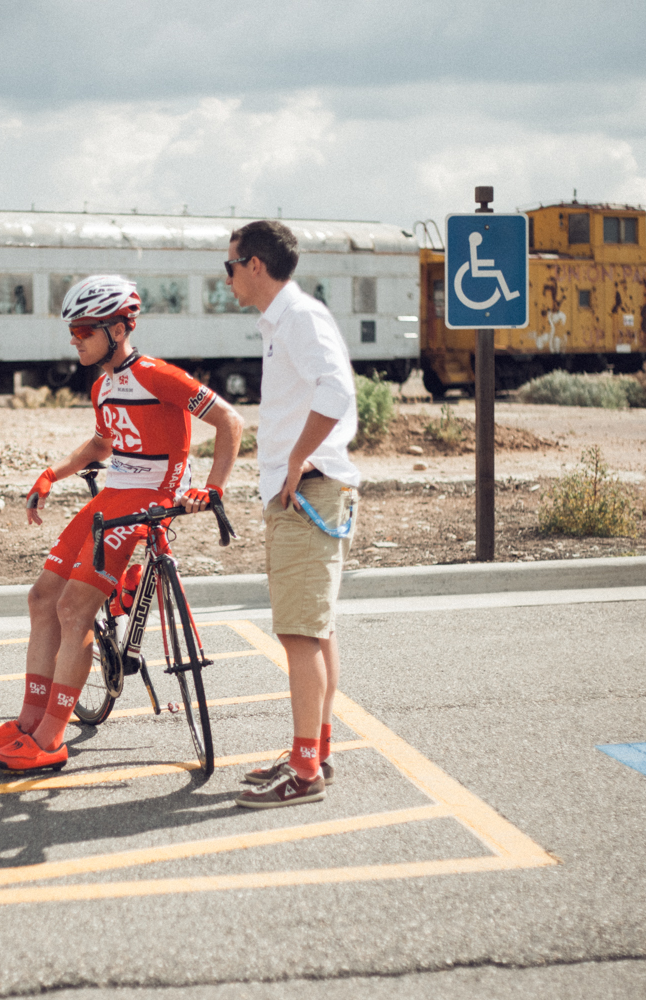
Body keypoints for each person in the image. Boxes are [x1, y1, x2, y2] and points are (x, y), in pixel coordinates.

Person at [0, 275, 245, 771]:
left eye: (84, 330)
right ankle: (29, 722)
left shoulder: (159, 376)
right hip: (112, 495)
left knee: (74, 608)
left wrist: (213, 488)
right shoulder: (102, 383)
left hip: (147, 500)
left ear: (118, 328)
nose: (75, 339)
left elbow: (229, 421)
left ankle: (50, 740)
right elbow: (102, 446)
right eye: (72, 331)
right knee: (41, 597)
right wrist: (53, 473)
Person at [224, 220, 359, 809]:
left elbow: (337, 392)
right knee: (316, 629)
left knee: (299, 633)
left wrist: (298, 458)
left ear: (255, 265)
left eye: (229, 266)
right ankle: (316, 750)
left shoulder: (299, 318)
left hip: (306, 493)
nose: (226, 277)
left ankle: (305, 773)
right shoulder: (285, 321)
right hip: (306, 492)